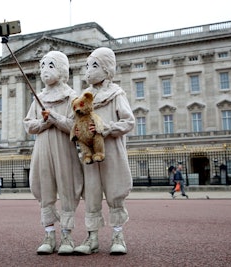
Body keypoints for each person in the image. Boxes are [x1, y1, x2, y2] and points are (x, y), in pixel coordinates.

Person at [73, 47, 135, 256]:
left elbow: (128, 121)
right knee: (91, 194)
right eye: (88, 66)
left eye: (94, 66)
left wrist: (105, 128)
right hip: (90, 153)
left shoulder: (116, 94)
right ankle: (92, 239)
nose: (89, 71)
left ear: (107, 69)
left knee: (115, 192)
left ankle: (118, 236)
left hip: (112, 150)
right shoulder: (84, 97)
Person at [23, 51, 83, 255]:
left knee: (67, 188)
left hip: (63, 147)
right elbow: (29, 125)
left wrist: (55, 118)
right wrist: (43, 123)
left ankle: (67, 234)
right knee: (45, 188)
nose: (44, 71)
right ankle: (49, 234)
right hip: (42, 148)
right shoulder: (39, 98)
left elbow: (76, 126)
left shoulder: (72, 96)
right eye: (42, 66)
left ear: (61, 69)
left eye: (50, 65)